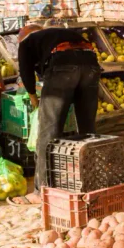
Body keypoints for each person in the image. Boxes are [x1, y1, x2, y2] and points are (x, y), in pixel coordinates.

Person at [17, 24, 100, 188]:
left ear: (22, 37)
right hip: (91, 64)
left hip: (63, 64)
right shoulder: (54, 34)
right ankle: (92, 179)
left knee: (49, 131)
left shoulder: (26, 42)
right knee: (88, 128)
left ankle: (42, 188)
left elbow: (26, 72)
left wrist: (33, 97)